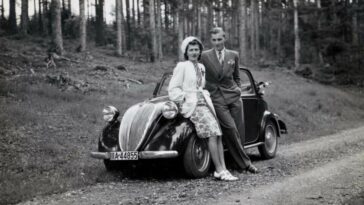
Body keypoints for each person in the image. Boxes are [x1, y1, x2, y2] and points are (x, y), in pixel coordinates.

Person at [168, 36, 238, 181]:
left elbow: (202, 86)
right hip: (192, 106)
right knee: (212, 133)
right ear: (186, 52)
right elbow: (173, 89)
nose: (194, 52)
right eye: (191, 50)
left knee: (218, 133)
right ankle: (219, 169)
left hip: (205, 104)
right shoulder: (182, 66)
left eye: (196, 49)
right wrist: (186, 98)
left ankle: (222, 170)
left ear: (200, 51)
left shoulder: (201, 67)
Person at [200, 27, 258, 173]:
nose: (217, 43)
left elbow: (237, 76)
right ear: (211, 41)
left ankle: (234, 163)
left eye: (219, 39)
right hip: (217, 97)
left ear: (224, 38)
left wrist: (238, 89)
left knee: (239, 131)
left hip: (234, 96)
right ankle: (246, 164)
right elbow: (200, 75)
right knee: (230, 129)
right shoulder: (205, 56)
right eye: (214, 40)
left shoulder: (234, 55)